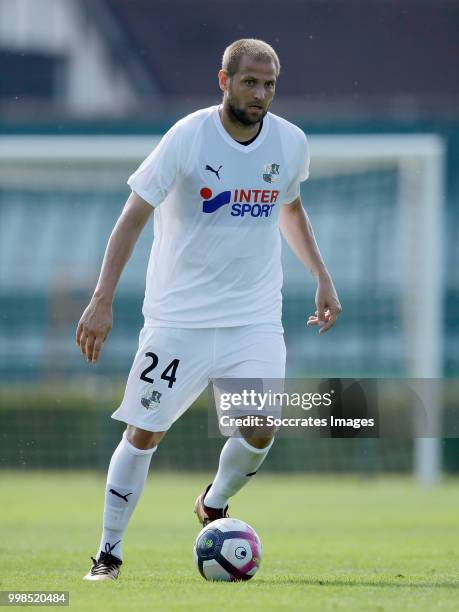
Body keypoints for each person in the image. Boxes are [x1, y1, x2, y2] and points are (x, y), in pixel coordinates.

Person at [76, 38, 341, 581]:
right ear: (224, 81)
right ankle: (108, 552)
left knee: (262, 426)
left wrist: (321, 275)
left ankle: (213, 504)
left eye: (269, 85)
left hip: (253, 318)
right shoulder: (188, 136)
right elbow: (132, 215)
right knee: (144, 433)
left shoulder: (289, 143)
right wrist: (101, 299)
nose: (260, 94)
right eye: (249, 82)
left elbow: (290, 208)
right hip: (178, 321)